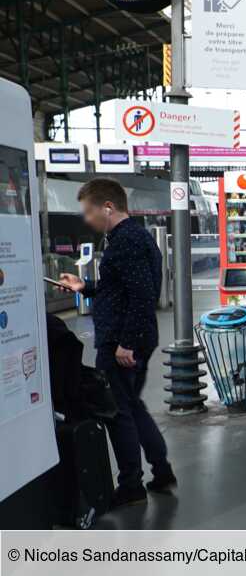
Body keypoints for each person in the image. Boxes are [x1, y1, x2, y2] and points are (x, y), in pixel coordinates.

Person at [56, 178, 175, 508]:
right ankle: (161, 470)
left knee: (118, 412)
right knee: (132, 406)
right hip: (130, 337)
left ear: (108, 207)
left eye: (89, 212)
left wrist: (125, 343)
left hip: (121, 343)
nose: (86, 219)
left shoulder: (127, 242)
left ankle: (131, 485)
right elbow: (120, 287)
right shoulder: (131, 238)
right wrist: (85, 287)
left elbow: (141, 296)